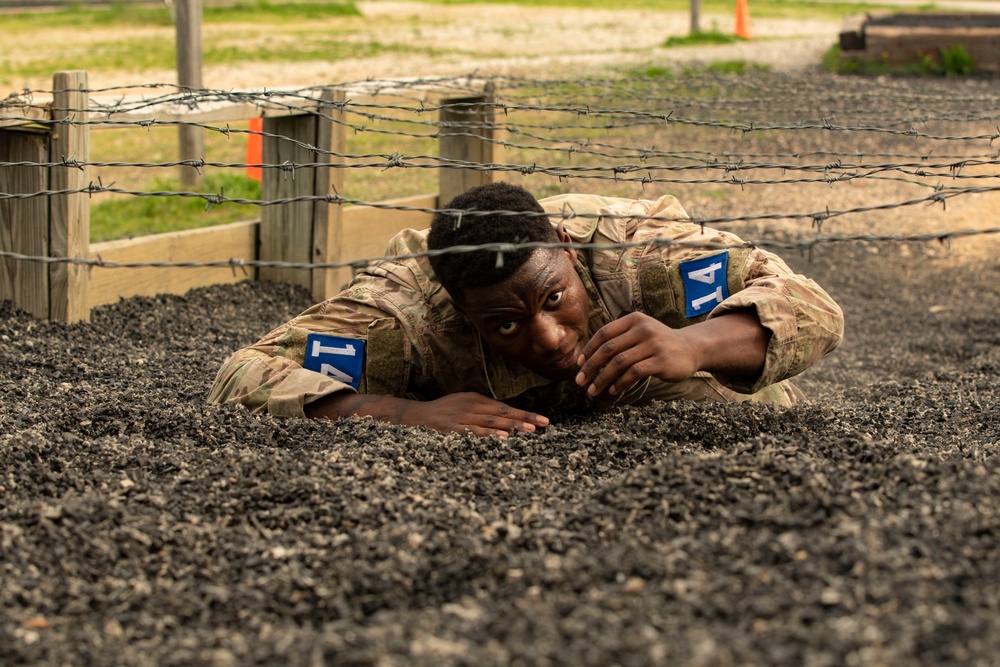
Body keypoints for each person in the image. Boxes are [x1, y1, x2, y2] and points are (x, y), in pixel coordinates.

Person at [207, 182, 843, 437]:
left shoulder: (635, 255)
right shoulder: (407, 313)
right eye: (506, 323)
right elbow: (244, 372)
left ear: (565, 248)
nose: (546, 335)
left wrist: (695, 346)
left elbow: (813, 305)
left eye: (554, 299)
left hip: (682, 411)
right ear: (458, 307)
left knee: (744, 404)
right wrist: (404, 412)